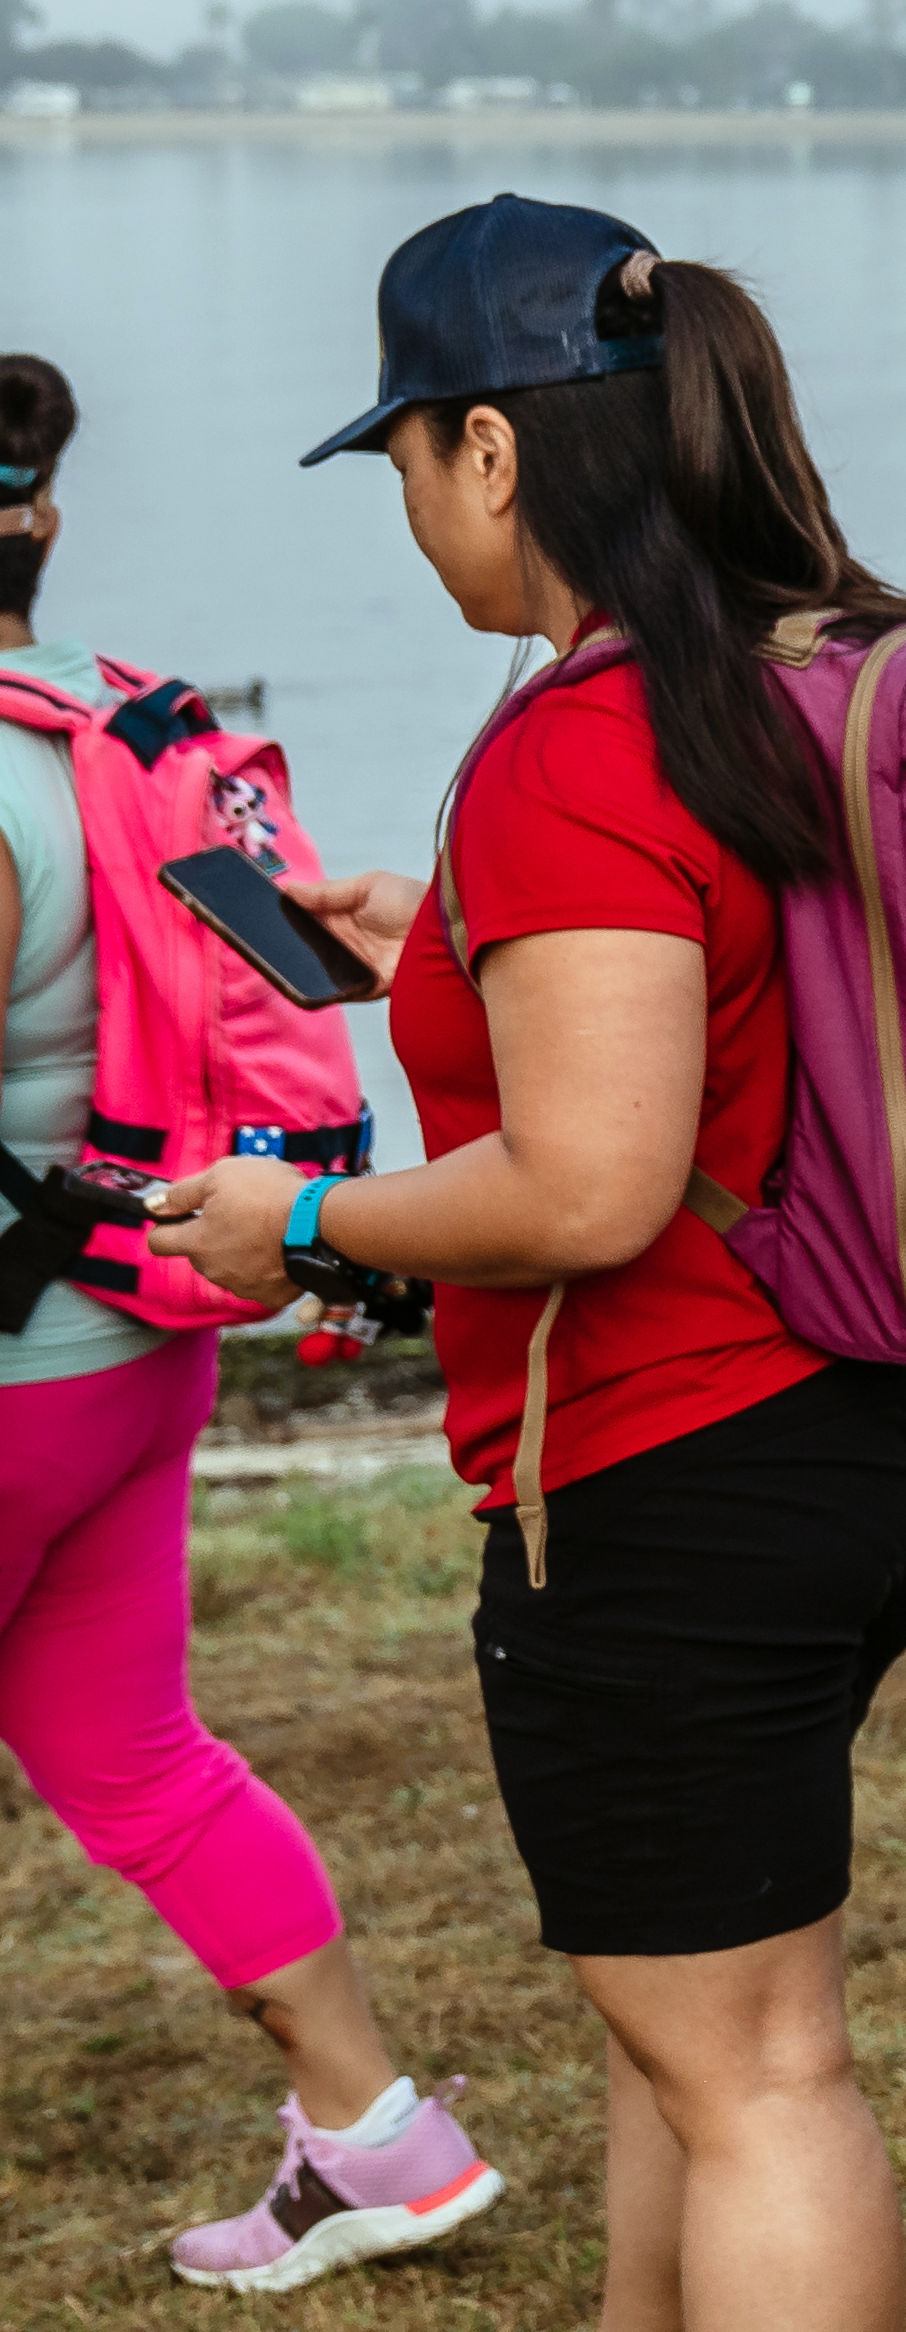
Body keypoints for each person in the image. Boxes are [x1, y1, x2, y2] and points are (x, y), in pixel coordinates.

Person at [150, 194, 906, 2332]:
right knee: (677, 2013)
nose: (411, 510)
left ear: (491, 449)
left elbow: (594, 1183)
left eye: (410, 459)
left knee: (762, 2068)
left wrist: (298, 1217)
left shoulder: (578, 742)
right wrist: (447, 937)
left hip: (680, 1470)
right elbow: (723, 1014)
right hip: (841, 1430)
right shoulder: (760, 680)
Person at [0, 355, 503, 2297]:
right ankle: (379, 2133)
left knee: (138, 1747)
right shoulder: (102, 735)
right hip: (131, 1350)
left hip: (19, 1375)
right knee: (131, 1749)